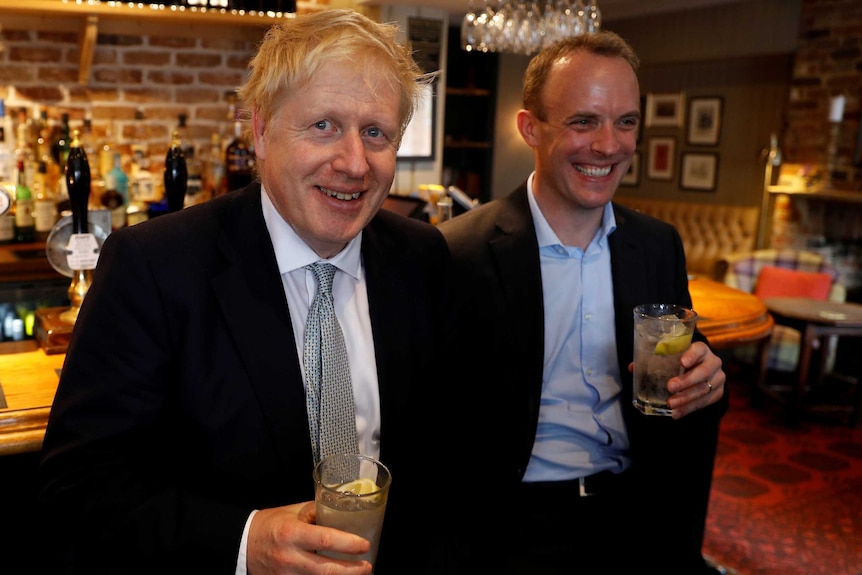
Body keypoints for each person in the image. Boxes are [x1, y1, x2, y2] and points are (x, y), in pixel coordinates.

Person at [38, 10, 456, 575]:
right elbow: (79, 485)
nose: (355, 163)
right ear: (260, 131)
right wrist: (244, 541)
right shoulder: (155, 266)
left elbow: (444, 463)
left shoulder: (422, 258)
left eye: (375, 132)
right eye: (324, 126)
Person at [439, 31, 728, 574]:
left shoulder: (658, 245)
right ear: (531, 128)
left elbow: (685, 370)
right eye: (583, 121)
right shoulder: (460, 252)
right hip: (508, 524)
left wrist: (709, 380)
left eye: (626, 122)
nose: (609, 146)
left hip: (634, 510)